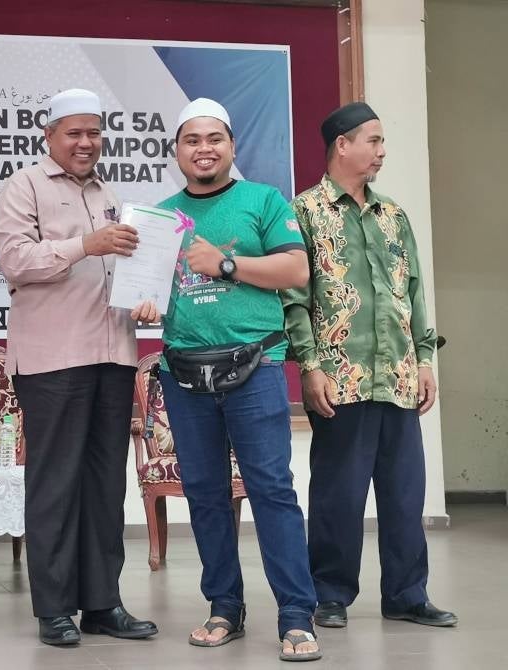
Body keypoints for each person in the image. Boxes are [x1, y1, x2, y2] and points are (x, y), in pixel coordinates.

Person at [155, 98, 321, 661]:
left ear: (232, 146)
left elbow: (296, 269)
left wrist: (226, 264)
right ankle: (224, 606)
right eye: (191, 140)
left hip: (255, 368)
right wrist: (141, 306)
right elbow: (147, 291)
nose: (204, 149)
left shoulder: (263, 201)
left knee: (272, 491)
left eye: (214, 139)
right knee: (204, 496)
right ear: (176, 151)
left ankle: (297, 616)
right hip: (184, 374)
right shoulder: (160, 217)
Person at [0, 88, 158, 646]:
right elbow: (16, 261)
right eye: (74, 133)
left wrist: (146, 291)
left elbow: (122, 270)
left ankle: (103, 603)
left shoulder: (110, 192)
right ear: (50, 136)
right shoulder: (25, 186)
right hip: (53, 359)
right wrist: (85, 244)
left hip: (113, 353)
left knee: (105, 484)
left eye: (94, 132)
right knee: (56, 483)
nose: (86, 143)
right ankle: (55, 608)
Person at [282, 101, 457, 629]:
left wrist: (425, 359)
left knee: (406, 494)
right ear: (343, 144)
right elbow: (294, 297)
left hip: (399, 375)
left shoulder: (393, 216)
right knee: (339, 492)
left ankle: (407, 594)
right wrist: (309, 365)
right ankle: (330, 594)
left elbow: (414, 291)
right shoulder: (305, 211)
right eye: (374, 141)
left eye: (382, 142)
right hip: (342, 378)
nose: (382, 151)